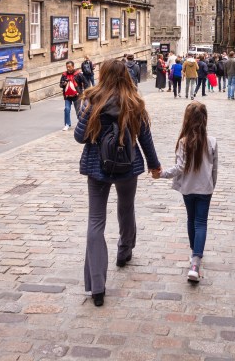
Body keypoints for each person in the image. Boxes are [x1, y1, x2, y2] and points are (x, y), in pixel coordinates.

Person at [74, 60, 161, 307]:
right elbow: (145, 139)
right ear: (126, 76)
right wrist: (154, 165)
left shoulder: (92, 100)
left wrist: (86, 116)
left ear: (103, 76)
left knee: (95, 222)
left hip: (96, 168)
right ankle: (124, 252)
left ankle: (98, 286)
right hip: (127, 166)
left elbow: (80, 137)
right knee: (126, 209)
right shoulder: (134, 102)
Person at [156, 101, 218, 283]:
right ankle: (196, 261)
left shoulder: (183, 142)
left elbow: (179, 167)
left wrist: (162, 174)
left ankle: (194, 255)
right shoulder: (212, 141)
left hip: (189, 189)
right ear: (205, 119)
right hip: (205, 188)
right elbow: (215, 169)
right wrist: (211, 186)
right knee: (201, 223)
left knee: (192, 220)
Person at [61, 61, 87, 131]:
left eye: (69, 67)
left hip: (77, 96)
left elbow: (85, 83)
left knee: (78, 111)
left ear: (73, 66)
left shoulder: (78, 74)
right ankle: (67, 124)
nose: (68, 68)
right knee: (67, 109)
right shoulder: (64, 75)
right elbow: (60, 85)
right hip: (67, 96)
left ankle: (80, 123)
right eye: (67, 67)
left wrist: (83, 92)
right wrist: (64, 83)